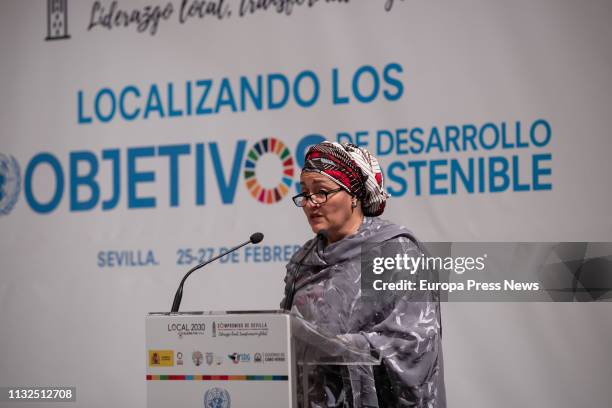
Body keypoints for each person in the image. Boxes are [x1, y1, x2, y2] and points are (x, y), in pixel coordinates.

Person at [281, 141, 445, 408]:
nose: (311, 203)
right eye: (305, 194)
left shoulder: (392, 252)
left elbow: (413, 345)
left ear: (354, 195)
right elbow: (287, 334)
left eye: (321, 192)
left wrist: (334, 346)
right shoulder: (302, 261)